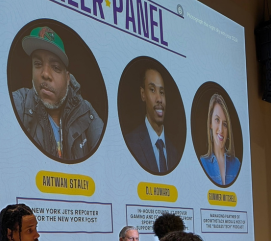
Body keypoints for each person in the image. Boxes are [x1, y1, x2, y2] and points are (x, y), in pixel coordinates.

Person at [12, 25, 104, 161]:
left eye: (55, 67)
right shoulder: (20, 103)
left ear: (67, 79)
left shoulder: (85, 111)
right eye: (38, 64)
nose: (45, 74)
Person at [125, 67, 179, 175]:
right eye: (152, 90)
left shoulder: (175, 152)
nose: (159, 99)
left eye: (162, 92)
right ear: (143, 94)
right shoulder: (130, 143)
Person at [200, 93, 241, 186]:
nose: (221, 129)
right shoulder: (203, 163)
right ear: (210, 123)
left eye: (225, 124)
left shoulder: (236, 164)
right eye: (217, 120)